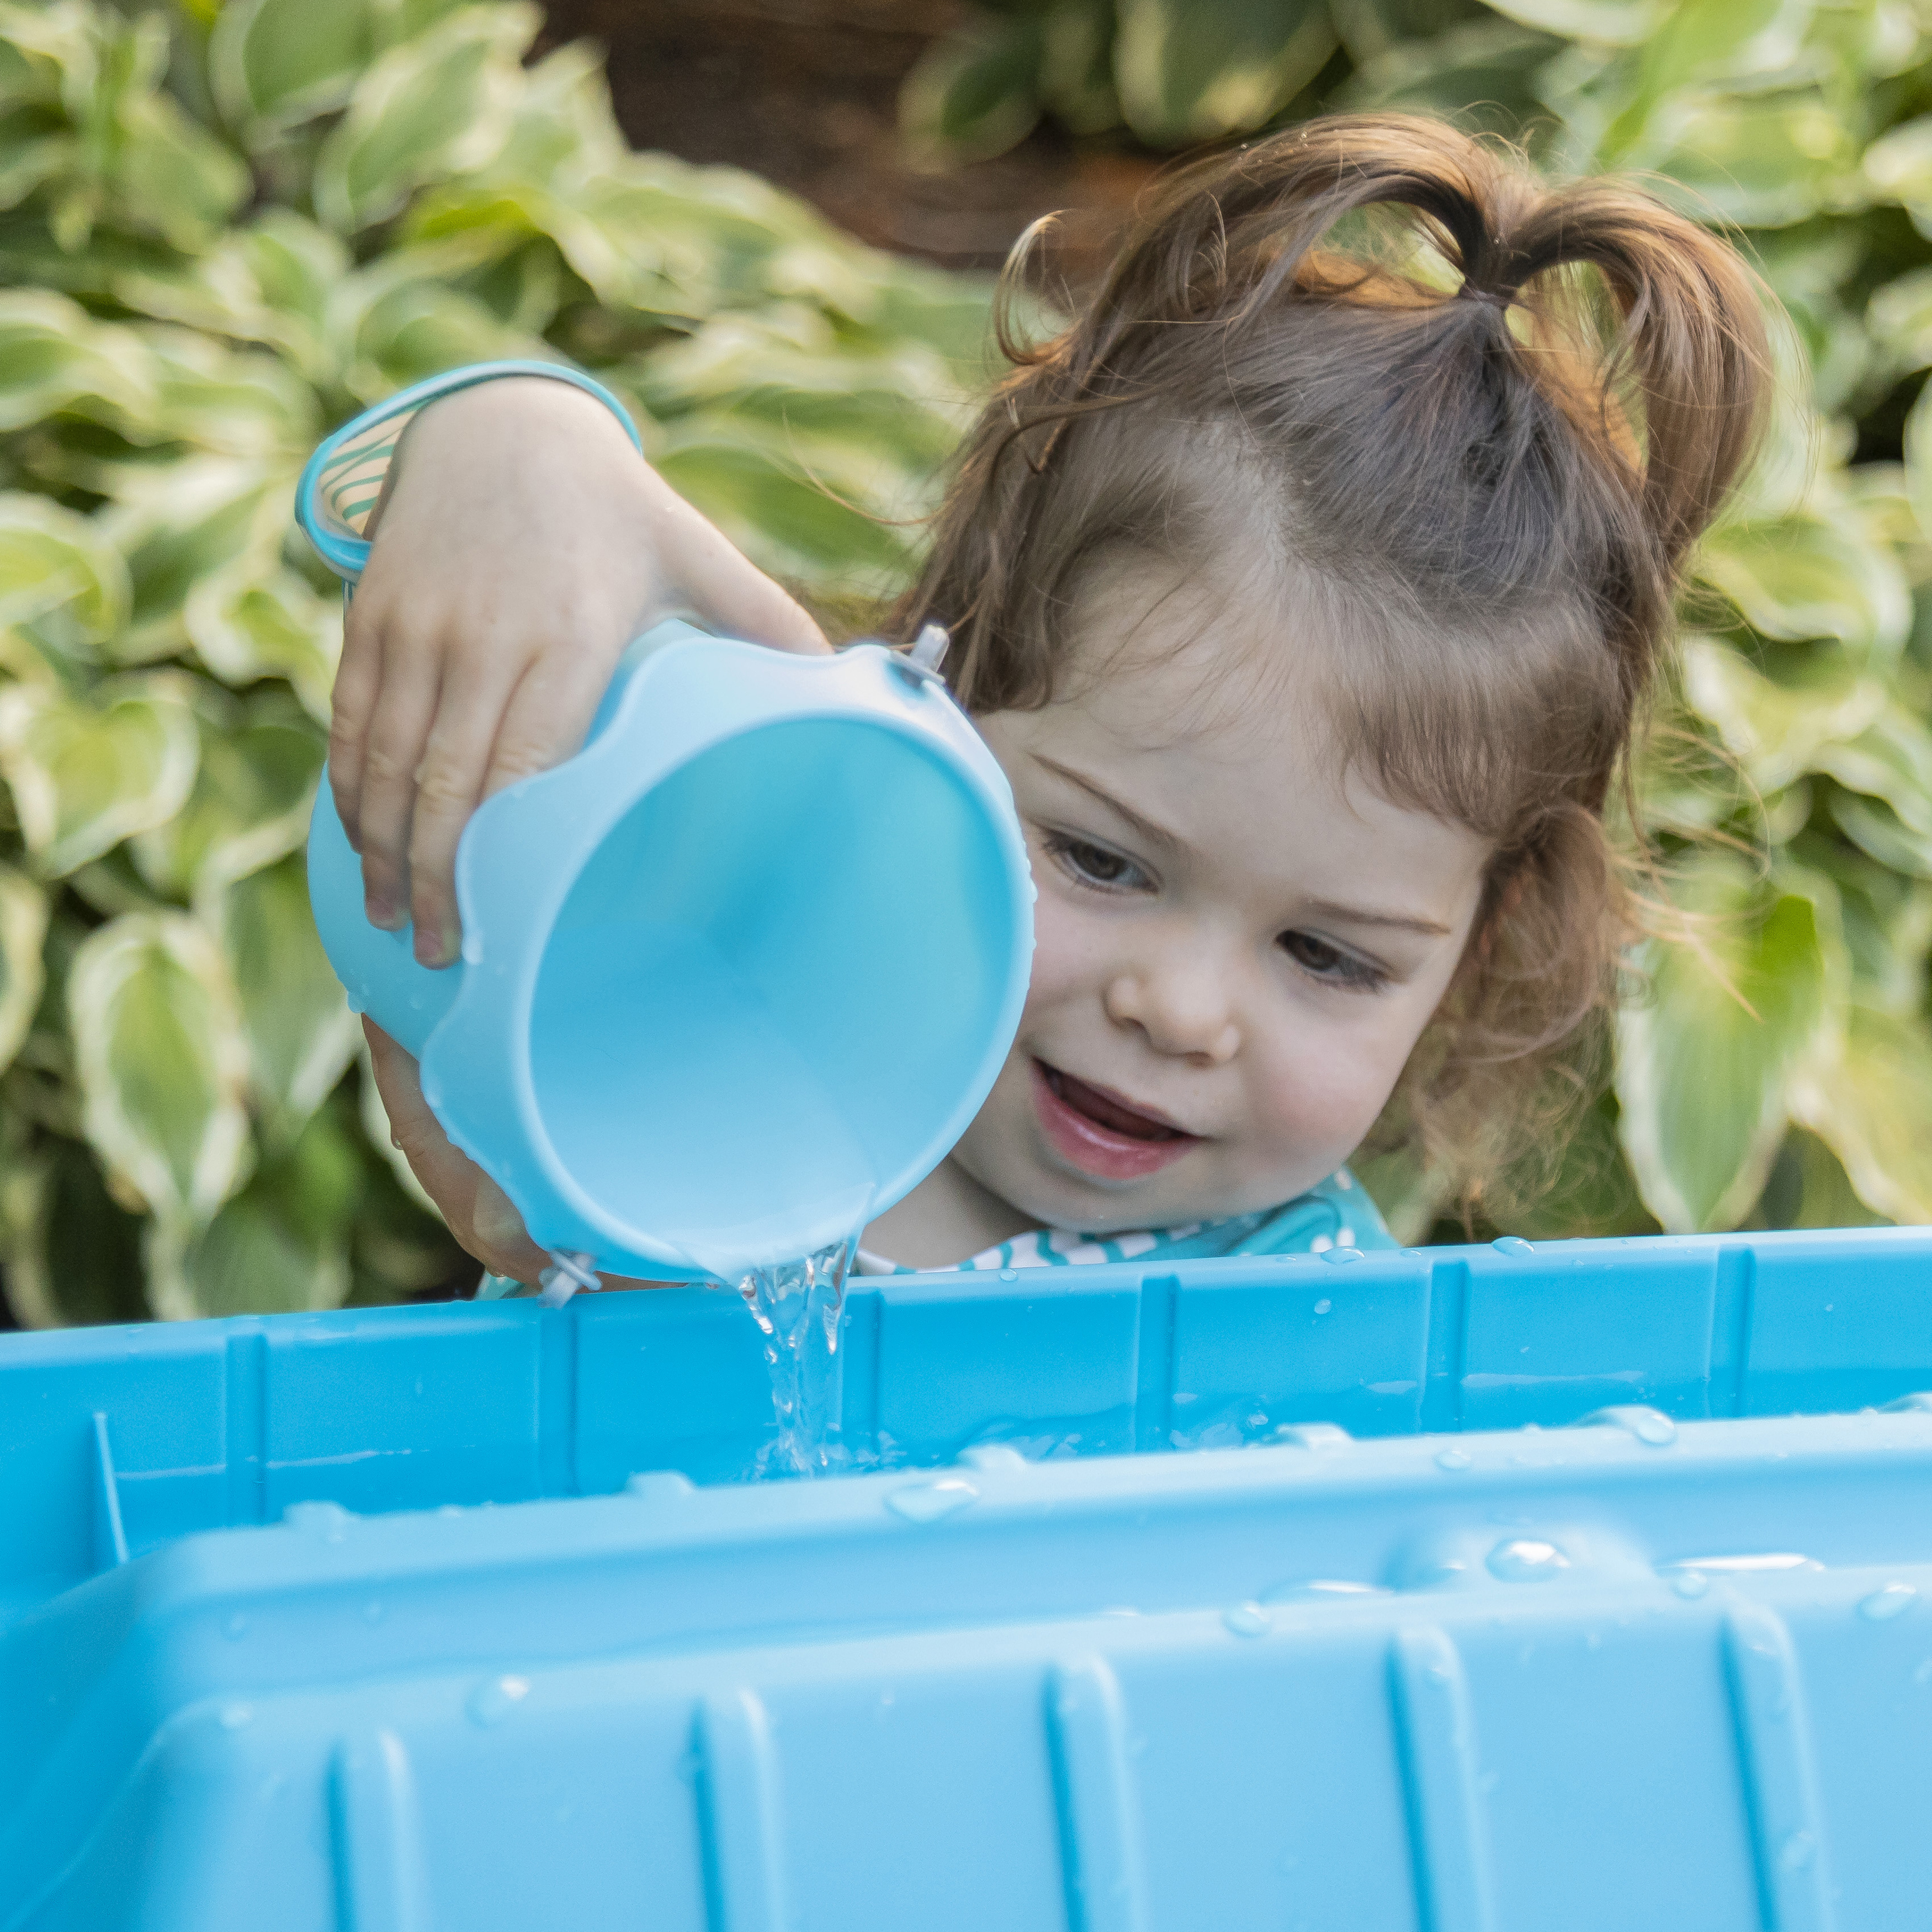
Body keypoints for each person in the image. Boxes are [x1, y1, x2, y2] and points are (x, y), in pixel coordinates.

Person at [304, 113, 1769, 1288]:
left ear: (1472, 943)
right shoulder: (694, 1080)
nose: (1179, 1010)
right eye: (1099, 857)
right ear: (949, 704)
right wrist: (513, 440)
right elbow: (545, 598)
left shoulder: (1317, 1342)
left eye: (1327, 953)